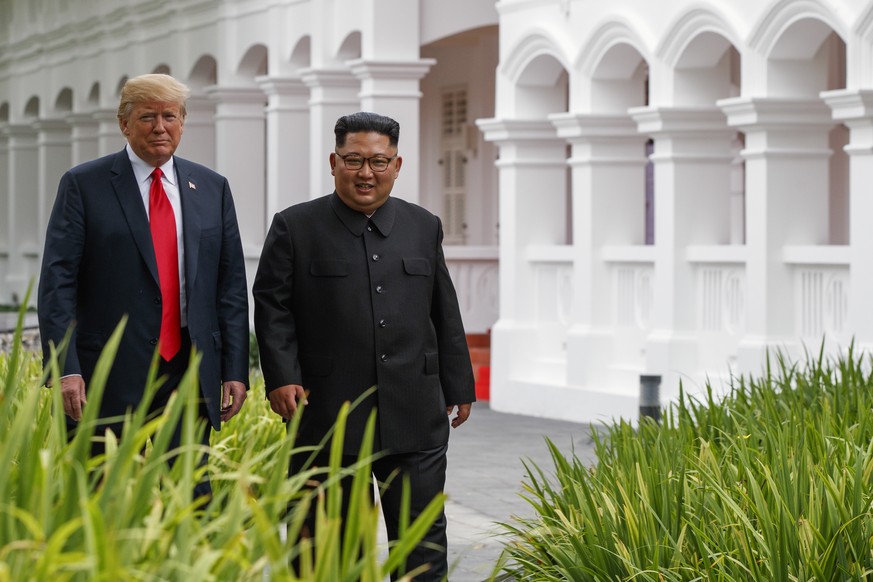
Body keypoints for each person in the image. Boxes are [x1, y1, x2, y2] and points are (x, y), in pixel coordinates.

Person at [253, 111, 475, 580]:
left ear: (397, 165)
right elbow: (272, 308)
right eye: (354, 160)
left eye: (379, 161)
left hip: (415, 412)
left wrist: (459, 383)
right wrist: (282, 377)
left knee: (422, 546)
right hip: (327, 415)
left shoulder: (424, 226)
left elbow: (444, 310)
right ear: (333, 162)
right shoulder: (295, 227)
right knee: (330, 550)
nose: (366, 172)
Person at [38, 73, 250, 497]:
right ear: (124, 123)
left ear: (183, 122)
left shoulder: (211, 187)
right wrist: (66, 368)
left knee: (191, 498)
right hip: (106, 376)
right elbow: (57, 282)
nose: (160, 127)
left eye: (169, 116)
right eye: (147, 116)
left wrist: (234, 369)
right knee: (103, 499)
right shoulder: (84, 185)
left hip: (188, 370)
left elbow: (230, 285)